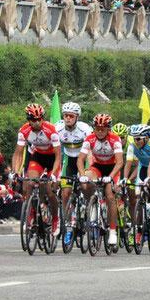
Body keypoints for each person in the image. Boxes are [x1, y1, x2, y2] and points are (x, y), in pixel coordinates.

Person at [11, 103, 61, 234]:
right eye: (34, 120)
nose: (37, 122)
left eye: (40, 119)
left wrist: (54, 174)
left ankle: (55, 218)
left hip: (52, 159)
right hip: (37, 157)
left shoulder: (51, 130)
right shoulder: (24, 131)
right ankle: (31, 214)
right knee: (29, 183)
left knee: (49, 190)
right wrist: (15, 172)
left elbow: (58, 156)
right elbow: (18, 154)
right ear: (28, 120)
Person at [77, 113, 124, 246]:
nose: (100, 132)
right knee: (85, 184)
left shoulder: (115, 139)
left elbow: (120, 162)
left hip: (112, 168)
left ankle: (113, 231)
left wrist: (111, 176)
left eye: (103, 129)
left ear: (108, 129)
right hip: (97, 166)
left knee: (110, 196)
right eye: (97, 129)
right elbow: (80, 159)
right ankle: (92, 205)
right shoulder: (90, 139)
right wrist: (83, 175)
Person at [55, 102, 92, 244]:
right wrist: (56, 173)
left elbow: (89, 152)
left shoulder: (85, 129)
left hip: (84, 159)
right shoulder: (58, 129)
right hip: (69, 160)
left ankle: (90, 209)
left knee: (85, 186)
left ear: (77, 117)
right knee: (65, 193)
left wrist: (87, 171)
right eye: (65, 116)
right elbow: (55, 153)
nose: (68, 118)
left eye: (71, 116)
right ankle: (68, 227)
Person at [124, 123, 150, 245]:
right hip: (143, 168)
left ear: (146, 137)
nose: (135, 141)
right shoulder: (132, 146)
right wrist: (125, 179)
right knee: (138, 196)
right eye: (134, 138)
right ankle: (139, 229)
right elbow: (128, 163)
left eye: (138, 138)